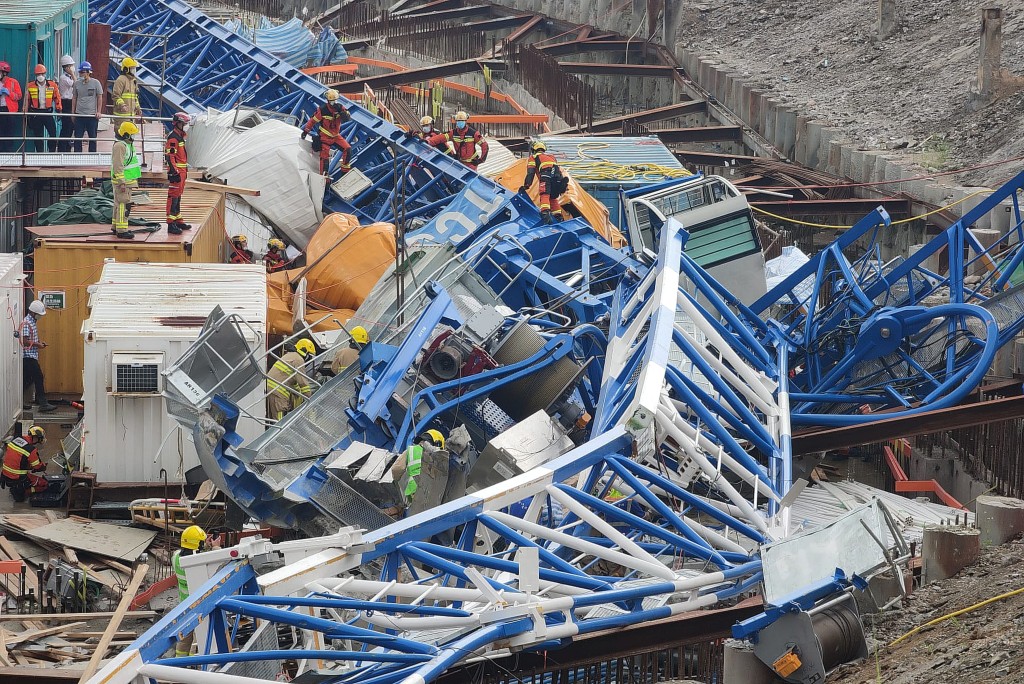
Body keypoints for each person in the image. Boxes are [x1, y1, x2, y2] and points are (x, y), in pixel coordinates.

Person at [172, 525, 207, 657]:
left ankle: (178, 665)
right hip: (198, 606)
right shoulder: (196, 563)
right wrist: (215, 548)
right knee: (198, 642)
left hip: (184, 606)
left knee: (184, 638)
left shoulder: (175, 557)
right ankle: (195, 666)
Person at [301, 88, 352, 176]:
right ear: (328, 101)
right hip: (324, 137)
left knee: (348, 149)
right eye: (332, 101)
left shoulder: (340, 107)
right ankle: (324, 179)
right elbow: (312, 121)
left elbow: (347, 117)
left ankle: (344, 172)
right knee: (324, 160)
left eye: (335, 101)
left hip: (335, 136)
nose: (334, 103)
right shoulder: (322, 110)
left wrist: (343, 113)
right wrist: (306, 131)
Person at [520, 140, 567, 225]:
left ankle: (545, 214)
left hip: (546, 177)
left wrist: (527, 185)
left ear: (534, 149)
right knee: (553, 197)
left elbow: (531, 172)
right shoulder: (552, 157)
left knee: (544, 194)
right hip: (558, 179)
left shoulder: (533, 158)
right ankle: (558, 216)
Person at [266, 339, 314, 421]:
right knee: (280, 423)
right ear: (305, 351)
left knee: (275, 420)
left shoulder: (290, 355)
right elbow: (303, 383)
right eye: (309, 355)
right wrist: (309, 400)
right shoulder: (298, 360)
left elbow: (292, 381)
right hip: (279, 392)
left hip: (273, 390)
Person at [22, 300, 55, 413]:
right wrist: (37, 345)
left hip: (31, 355)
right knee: (38, 377)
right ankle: (43, 403)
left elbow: (31, 338)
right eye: (39, 314)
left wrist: (39, 342)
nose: (40, 316)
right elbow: (24, 341)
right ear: (32, 312)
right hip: (28, 356)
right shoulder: (27, 323)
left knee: (27, 379)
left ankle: (21, 402)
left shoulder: (32, 321)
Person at [396, 429, 445, 506]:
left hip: (411, 491)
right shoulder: (439, 460)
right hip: (428, 498)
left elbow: (397, 469)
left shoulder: (411, 450)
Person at [111, 121, 142, 240]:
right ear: (126, 134)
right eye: (132, 135)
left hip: (127, 180)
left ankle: (115, 226)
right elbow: (118, 165)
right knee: (124, 205)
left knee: (118, 204)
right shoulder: (120, 146)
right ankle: (122, 230)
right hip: (124, 181)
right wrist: (122, 182)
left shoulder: (126, 144)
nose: (134, 137)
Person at [1, 426, 48, 502]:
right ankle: (24, 492)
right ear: (36, 437)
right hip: (18, 478)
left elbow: (18, 459)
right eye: (39, 440)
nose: (39, 442)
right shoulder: (31, 450)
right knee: (44, 484)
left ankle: (17, 489)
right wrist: (43, 466)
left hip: (5, 475)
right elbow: (37, 466)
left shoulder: (16, 440)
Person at [164, 112, 192, 235]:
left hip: (182, 171)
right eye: (184, 123)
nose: (185, 126)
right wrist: (174, 172)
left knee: (178, 196)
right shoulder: (174, 137)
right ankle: (171, 223)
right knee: (173, 197)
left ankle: (178, 220)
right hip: (177, 172)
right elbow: (170, 156)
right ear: (178, 123)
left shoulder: (180, 136)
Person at [24, 65, 61, 153]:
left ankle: (51, 152)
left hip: (47, 112)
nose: (40, 76)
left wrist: (59, 109)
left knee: (52, 133)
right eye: (38, 74)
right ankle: (40, 153)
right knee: (38, 135)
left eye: (42, 74)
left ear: (45, 74)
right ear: (35, 75)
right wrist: (25, 112)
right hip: (36, 113)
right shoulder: (30, 85)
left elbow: (57, 97)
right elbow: (27, 100)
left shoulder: (52, 85)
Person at [71, 62, 103, 153]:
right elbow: (74, 98)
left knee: (92, 136)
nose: (81, 74)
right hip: (79, 114)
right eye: (80, 72)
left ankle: (92, 155)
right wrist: (73, 113)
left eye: (83, 72)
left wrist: (99, 111)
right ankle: (77, 155)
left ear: (88, 72)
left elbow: (99, 97)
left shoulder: (96, 83)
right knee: (78, 137)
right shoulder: (77, 83)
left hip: (92, 115)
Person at [111, 57, 142, 131]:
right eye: (132, 68)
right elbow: (115, 96)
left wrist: (138, 108)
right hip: (121, 116)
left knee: (130, 135)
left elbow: (135, 97)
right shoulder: (121, 80)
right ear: (126, 69)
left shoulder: (134, 81)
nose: (134, 70)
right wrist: (122, 105)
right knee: (120, 135)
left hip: (131, 116)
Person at [0, 61, 22, 153]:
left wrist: (9, 93)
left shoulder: (13, 82)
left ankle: (8, 152)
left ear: (4, 73)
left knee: (9, 132)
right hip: (0, 109)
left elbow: (19, 96)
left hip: (10, 111)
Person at [56, 56, 75, 152]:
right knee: (66, 128)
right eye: (71, 66)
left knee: (71, 127)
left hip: (71, 103)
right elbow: (76, 84)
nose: (73, 67)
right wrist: (72, 73)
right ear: (66, 67)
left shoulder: (69, 77)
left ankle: (67, 149)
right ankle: (61, 149)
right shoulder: (63, 78)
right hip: (66, 103)